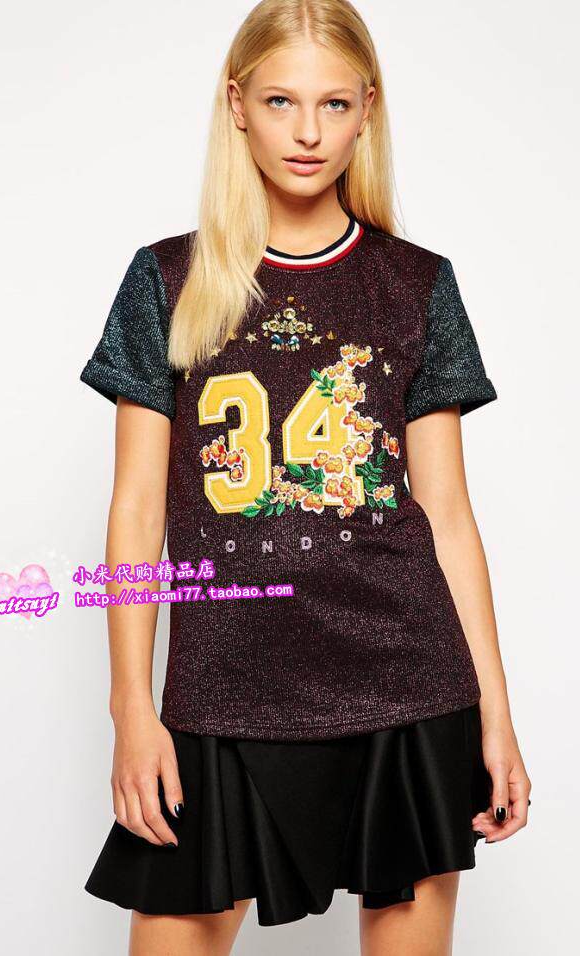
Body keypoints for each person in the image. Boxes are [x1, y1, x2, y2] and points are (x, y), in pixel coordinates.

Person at [80, 1, 531, 952]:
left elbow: (447, 515)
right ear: (237, 104)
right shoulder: (167, 279)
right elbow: (136, 511)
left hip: (408, 685)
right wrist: (131, 707)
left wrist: (497, 714)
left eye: (334, 103)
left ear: (368, 110)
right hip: (220, 690)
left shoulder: (416, 284)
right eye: (281, 101)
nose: (309, 132)